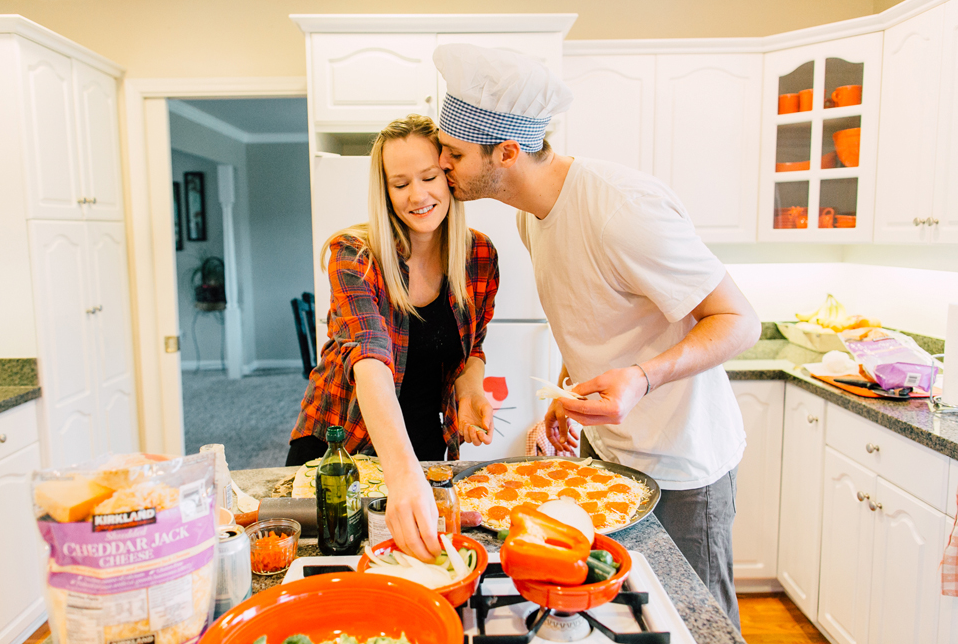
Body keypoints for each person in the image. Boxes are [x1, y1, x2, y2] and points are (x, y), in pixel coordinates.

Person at [433, 44, 760, 629]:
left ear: (506, 152)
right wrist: (565, 395)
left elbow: (739, 321)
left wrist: (641, 378)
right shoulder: (529, 218)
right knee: (626, 615)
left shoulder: (621, 207)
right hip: (608, 454)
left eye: (454, 152)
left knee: (697, 622)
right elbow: (597, 321)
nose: (442, 164)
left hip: (683, 463)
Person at [288, 114, 499, 561]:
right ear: (383, 191)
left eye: (429, 177)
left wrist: (470, 390)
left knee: (415, 565)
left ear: (449, 177)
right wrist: (404, 477)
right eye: (400, 183)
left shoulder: (479, 254)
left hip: (421, 445)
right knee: (339, 568)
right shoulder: (353, 254)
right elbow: (370, 363)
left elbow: (471, 348)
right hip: (339, 447)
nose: (418, 195)